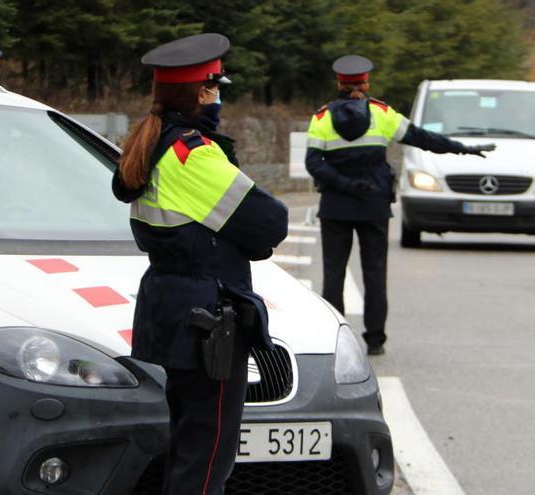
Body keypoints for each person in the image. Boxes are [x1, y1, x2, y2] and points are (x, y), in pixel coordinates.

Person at [111, 33, 288, 494]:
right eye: (216, 87)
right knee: (208, 461)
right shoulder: (192, 155)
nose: (219, 96)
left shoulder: (149, 145)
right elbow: (271, 222)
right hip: (208, 322)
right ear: (203, 92)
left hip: (174, 309)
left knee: (190, 449)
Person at [306, 55, 495, 355]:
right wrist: (463, 149)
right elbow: (422, 138)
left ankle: (335, 341)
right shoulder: (382, 114)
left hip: (336, 207)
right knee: (375, 273)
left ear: (339, 83)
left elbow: (314, 163)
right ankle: (376, 341)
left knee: (333, 275)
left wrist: (344, 184)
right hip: (374, 206)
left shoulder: (322, 119)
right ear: (366, 83)